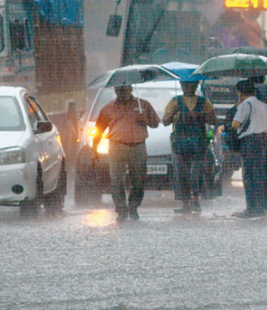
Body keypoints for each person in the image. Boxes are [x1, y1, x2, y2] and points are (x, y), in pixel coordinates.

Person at [92, 85, 160, 222]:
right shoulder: (108, 108)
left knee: (139, 180)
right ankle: (121, 209)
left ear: (130, 89)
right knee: (117, 179)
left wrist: (145, 120)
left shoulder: (143, 105)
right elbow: (99, 129)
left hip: (138, 146)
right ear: (115, 91)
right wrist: (94, 149)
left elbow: (156, 123)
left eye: (124, 90)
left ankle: (133, 206)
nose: (122, 93)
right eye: (119, 91)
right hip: (117, 146)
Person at [162, 81, 217, 214]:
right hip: (180, 143)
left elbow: (213, 121)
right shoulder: (175, 102)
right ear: (181, 86)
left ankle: (195, 199)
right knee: (181, 173)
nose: (188, 88)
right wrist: (173, 113)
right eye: (186, 85)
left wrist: (202, 115)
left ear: (196, 86)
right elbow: (165, 121)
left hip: (198, 143)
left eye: (191, 85)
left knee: (195, 173)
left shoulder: (204, 102)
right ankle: (185, 202)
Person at [231, 79, 267, 218]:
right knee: (264, 174)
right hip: (266, 140)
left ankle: (251, 208)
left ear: (239, 92)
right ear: (254, 91)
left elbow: (235, 124)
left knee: (250, 175)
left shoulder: (245, 105)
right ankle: (263, 207)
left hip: (251, 141)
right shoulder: (263, 105)